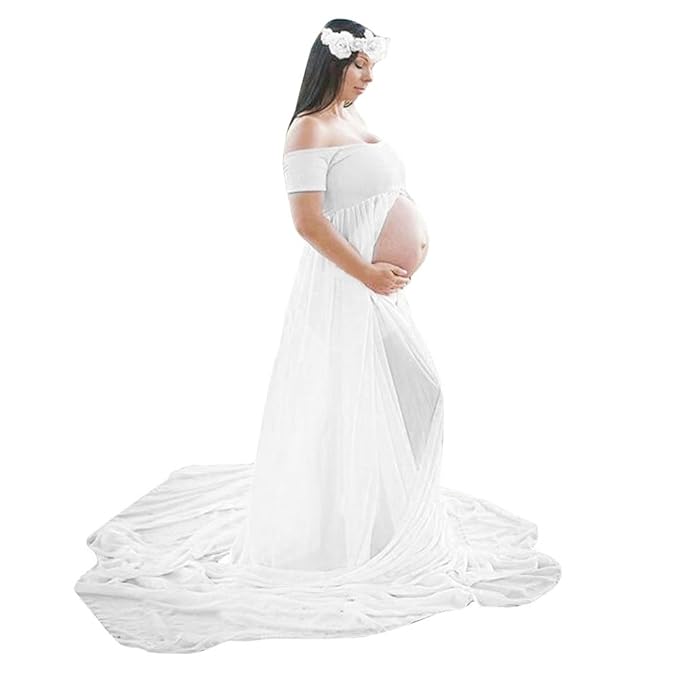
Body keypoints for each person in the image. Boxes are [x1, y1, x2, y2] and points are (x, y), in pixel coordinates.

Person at [74, 19, 561, 653]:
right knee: (399, 396)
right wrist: (367, 272)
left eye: (371, 66)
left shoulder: (353, 120)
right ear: (333, 64)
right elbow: (307, 222)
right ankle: (349, 534)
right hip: (347, 289)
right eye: (360, 66)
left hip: (379, 288)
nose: (370, 77)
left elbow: (380, 193)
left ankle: (385, 520)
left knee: (394, 400)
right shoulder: (307, 129)